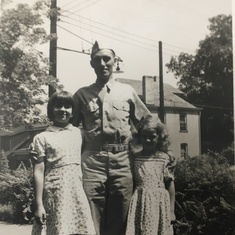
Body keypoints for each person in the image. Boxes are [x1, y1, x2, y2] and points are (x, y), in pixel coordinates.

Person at [72, 40, 152, 235]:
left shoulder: (128, 91)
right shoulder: (81, 95)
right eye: (97, 60)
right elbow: (70, 129)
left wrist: (156, 153)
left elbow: (147, 124)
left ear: (115, 61)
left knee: (121, 213)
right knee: (90, 214)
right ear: (92, 64)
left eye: (107, 59)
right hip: (92, 161)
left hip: (123, 160)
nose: (102, 64)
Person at [31, 91, 96, 235]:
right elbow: (38, 171)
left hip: (77, 193)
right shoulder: (42, 138)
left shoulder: (80, 134)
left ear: (73, 111)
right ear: (50, 110)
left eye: (67, 106)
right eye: (58, 106)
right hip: (55, 194)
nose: (62, 110)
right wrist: (38, 204)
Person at [125, 116, 176, 235]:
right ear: (139, 136)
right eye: (144, 136)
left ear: (159, 137)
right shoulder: (135, 158)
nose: (147, 140)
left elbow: (170, 185)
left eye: (152, 137)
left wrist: (172, 211)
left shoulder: (164, 159)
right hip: (140, 202)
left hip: (159, 204)